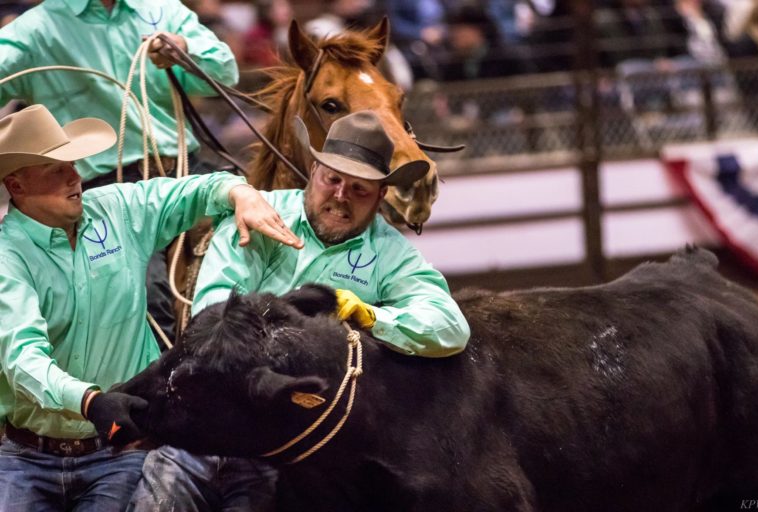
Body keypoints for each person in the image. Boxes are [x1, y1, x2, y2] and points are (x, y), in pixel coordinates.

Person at [129, 110, 471, 511]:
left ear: (381, 197)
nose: (341, 196)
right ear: (313, 171)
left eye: (359, 189)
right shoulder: (260, 215)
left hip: (288, 439)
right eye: (333, 179)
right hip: (210, 413)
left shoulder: (391, 253)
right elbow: (212, 308)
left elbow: (450, 326)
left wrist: (372, 317)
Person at [0, 104, 302, 512]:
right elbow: (21, 357)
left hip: (117, 452)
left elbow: (193, 191)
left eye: (72, 164)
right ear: (16, 186)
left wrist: (240, 192)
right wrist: (90, 401)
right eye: (56, 170)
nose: (75, 177)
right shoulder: (6, 256)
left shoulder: (116, 209)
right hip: (25, 456)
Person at [0, 0, 240, 341]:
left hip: (186, 167)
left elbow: (225, 73)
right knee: (143, 292)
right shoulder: (37, 29)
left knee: (260, 233)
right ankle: (160, 387)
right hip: (102, 187)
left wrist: (186, 50)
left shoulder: (162, 8)